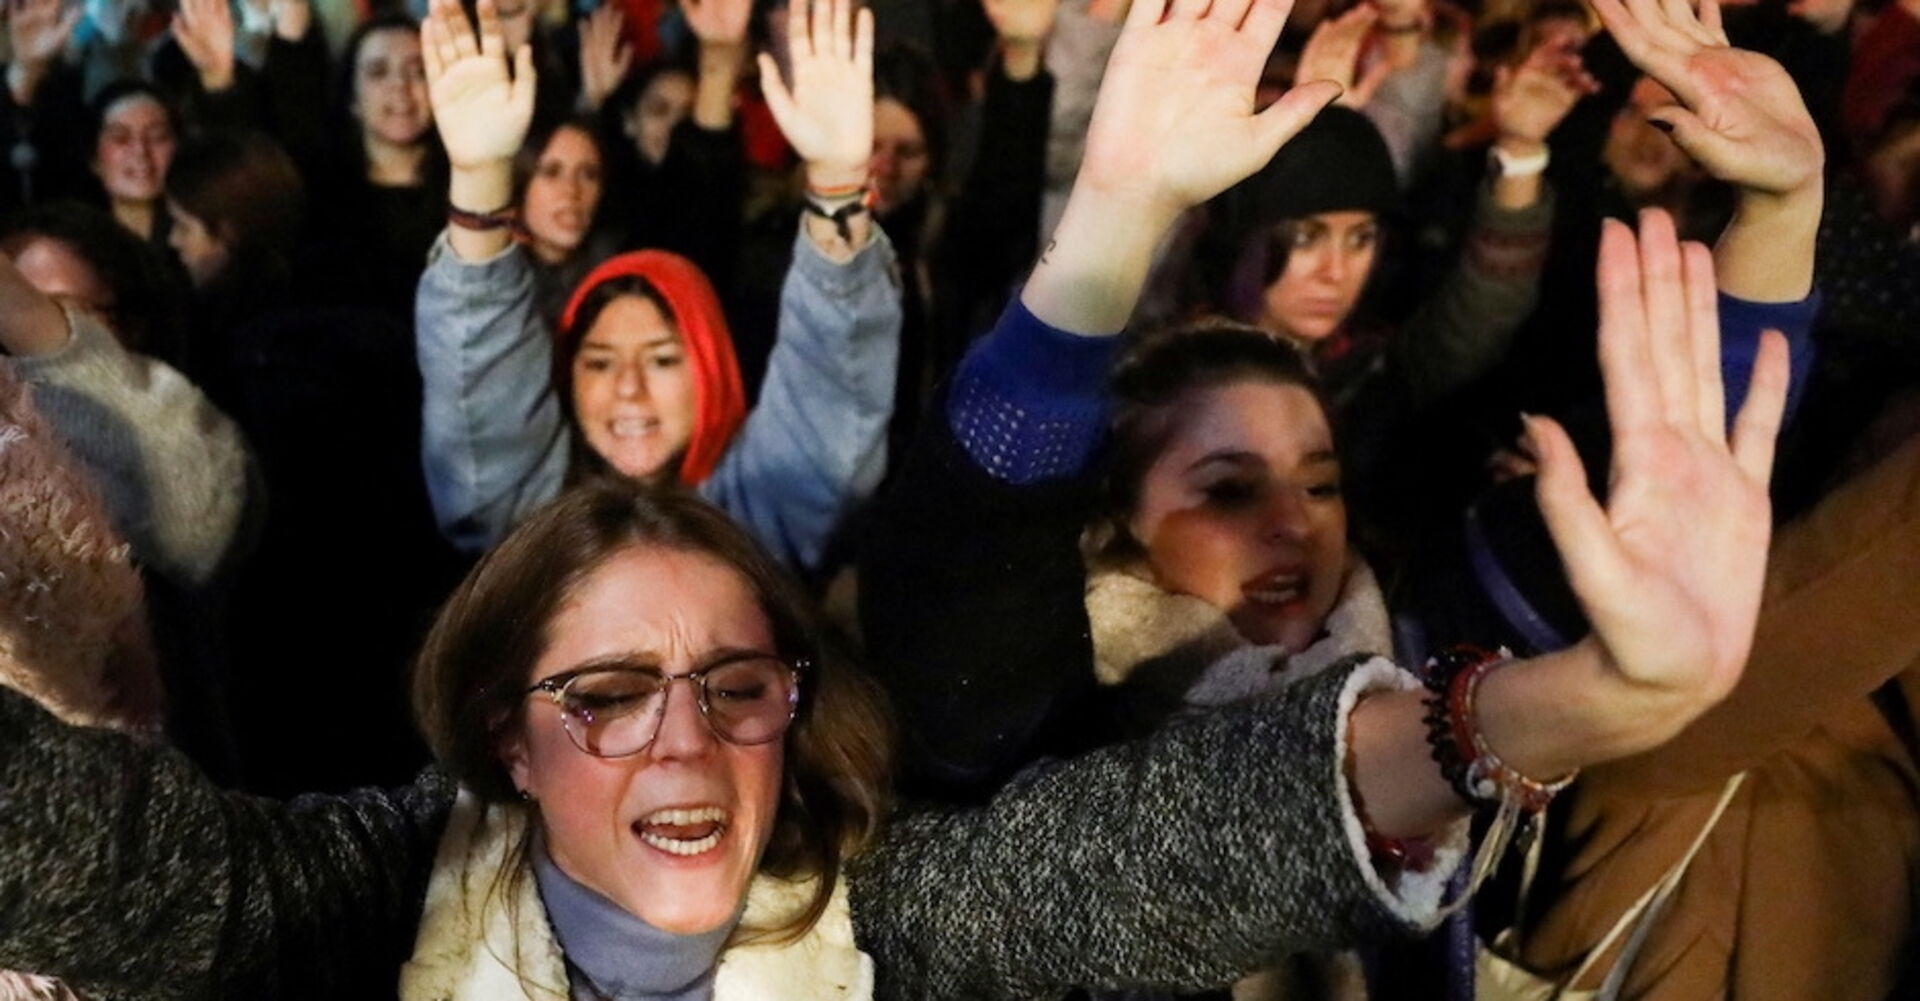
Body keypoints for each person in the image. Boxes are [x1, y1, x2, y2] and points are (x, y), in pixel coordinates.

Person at [0, 3, 1792, 998]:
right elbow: (114, 864)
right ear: (502, 729)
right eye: (607, 694)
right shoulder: (348, 905)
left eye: (735, 681)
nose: (686, 744)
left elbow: (1169, 850)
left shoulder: (898, 920)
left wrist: (1580, 705)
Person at [416, 0, 900, 572]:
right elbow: (481, 391)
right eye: (597, 363)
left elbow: (829, 398)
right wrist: (479, 178)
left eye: (664, 359)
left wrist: (839, 184)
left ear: (710, 371)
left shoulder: (761, 518)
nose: (628, 388)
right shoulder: (530, 529)